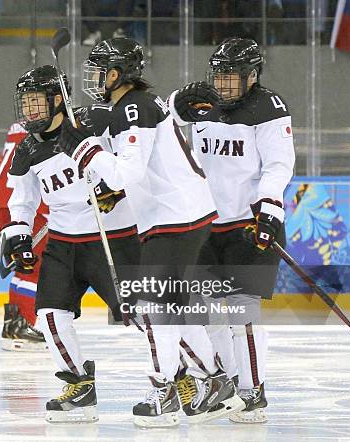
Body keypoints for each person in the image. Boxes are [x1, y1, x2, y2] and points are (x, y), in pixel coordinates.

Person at [58, 37, 243, 427]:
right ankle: (215, 380)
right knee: (167, 308)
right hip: (179, 215)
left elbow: (129, 171)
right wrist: (103, 180)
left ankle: (165, 393)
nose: (93, 77)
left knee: (155, 309)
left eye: (99, 70)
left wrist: (85, 148)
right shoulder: (133, 106)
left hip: (175, 218)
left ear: (116, 73)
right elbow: (131, 171)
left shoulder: (133, 107)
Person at [168, 37, 295, 423]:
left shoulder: (268, 108)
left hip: (248, 224)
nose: (222, 84)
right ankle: (229, 382)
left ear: (252, 76)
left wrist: (270, 207)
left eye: (231, 76)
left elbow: (277, 164)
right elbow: (157, 122)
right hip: (206, 225)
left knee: (242, 313)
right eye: (218, 75)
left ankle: (253, 390)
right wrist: (176, 103)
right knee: (204, 313)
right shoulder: (201, 104)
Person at [4, 64, 140, 423]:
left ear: (56, 100)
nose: (29, 110)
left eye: (36, 102)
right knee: (50, 316)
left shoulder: (95, 122)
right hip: (63, 244)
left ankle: (194, 374)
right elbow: (21, 199)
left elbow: (133, 158)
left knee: (145, 315)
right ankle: (79, 382)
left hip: (112, 237)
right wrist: (18, 231)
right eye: (26, 103)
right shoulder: (28, 148)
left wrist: (117, 187)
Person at [0, 122, 48, 351]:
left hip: (2, 204)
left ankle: (14, 325)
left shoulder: (16, 127)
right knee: (33, 266)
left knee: (21, 265)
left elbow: (2, 165)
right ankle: (25, 324)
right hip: (23, 206)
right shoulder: (48, 126)